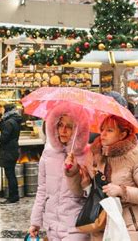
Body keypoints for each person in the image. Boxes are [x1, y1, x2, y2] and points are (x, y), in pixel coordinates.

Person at [67, 114, 138, 240]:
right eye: (102, 129)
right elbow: (82, 192)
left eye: (109, 130)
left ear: (123, 134)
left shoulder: (135, 157)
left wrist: (122, 191)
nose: (103, 134)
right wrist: (75, 174)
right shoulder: (94, 154)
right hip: (100, 224)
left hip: (127, 227)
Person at [28, 103, 91, 240]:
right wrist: (36, 222)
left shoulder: (88, 155)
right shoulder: (48, 153)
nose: (63, 130)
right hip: (52, 227)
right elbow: (42, 189)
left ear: (78, 130)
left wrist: (84, 183)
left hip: (76, 226)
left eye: (69, 127)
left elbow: (92, 194)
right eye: (60, 125)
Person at [0, 104, 22, 204]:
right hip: (13, 149)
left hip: (8, 150)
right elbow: (6, 131)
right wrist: (0, 122)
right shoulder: (14, 120)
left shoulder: (9, 122)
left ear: (7, 110)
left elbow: (4, 137)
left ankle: (13, 197)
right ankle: (15, 195)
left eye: (3, 109)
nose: (2, 111)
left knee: (10, 175)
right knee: (11, 174)